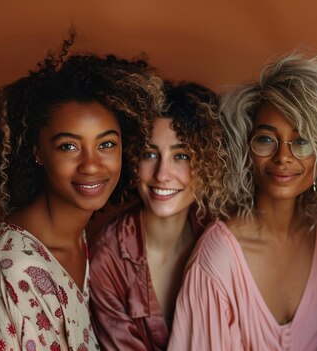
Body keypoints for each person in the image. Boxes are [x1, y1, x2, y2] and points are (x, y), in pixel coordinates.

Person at [0, 34, 163, 350]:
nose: (92, 165)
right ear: (38, 152)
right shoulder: (17, 269)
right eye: (69, 146)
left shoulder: (76, 235)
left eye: (106, 144)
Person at [169, 53, 317, 350]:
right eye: (266, 139)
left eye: (302, 141)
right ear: (247, 147)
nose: (283, 156)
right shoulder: (216, 262)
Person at [89, 81, 226, 350]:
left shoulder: (223, 236)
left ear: (208, 161)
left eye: (181, 156)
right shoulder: (107, 261)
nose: (162, 174)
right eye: (150, 154)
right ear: (132, 159)